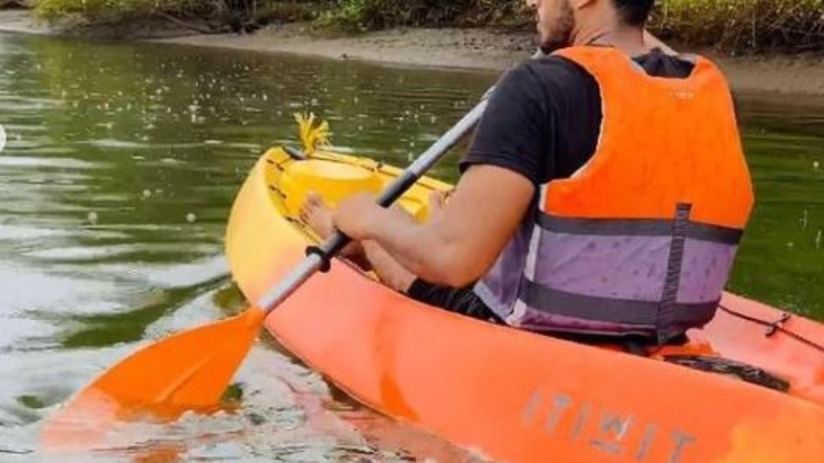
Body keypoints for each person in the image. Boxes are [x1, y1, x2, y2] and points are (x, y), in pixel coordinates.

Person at [300, 0, 754, 346]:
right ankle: (444, 216)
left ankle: (355, 243)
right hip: (662, 332)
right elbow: (633, 42)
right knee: (455, 223)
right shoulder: (705, 93)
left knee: (397, 234)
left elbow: (452, 262)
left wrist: (367, 216)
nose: (530, 3)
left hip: (533, 336)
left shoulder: (534, 88)